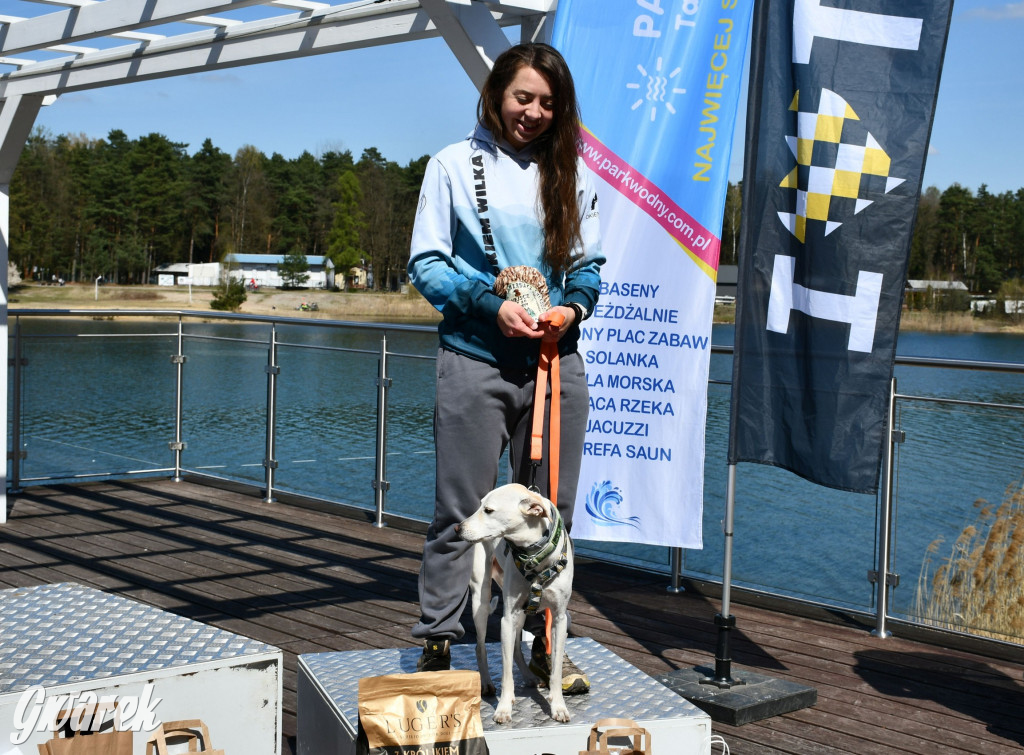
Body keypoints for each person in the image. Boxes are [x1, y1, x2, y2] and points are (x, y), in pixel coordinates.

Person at [408, 42, 604, 694]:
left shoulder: (572, 174)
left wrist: (572, 308)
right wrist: (489, 306)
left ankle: (544, 649)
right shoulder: (451, 166)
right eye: (524, 97)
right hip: (475, 358)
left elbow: (587, 271)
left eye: (549, 103)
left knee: (550, 519)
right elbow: (428, 264)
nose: (534, 112)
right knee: (461, 510)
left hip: (555, 366)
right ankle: (441, 640)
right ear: (496, 94)